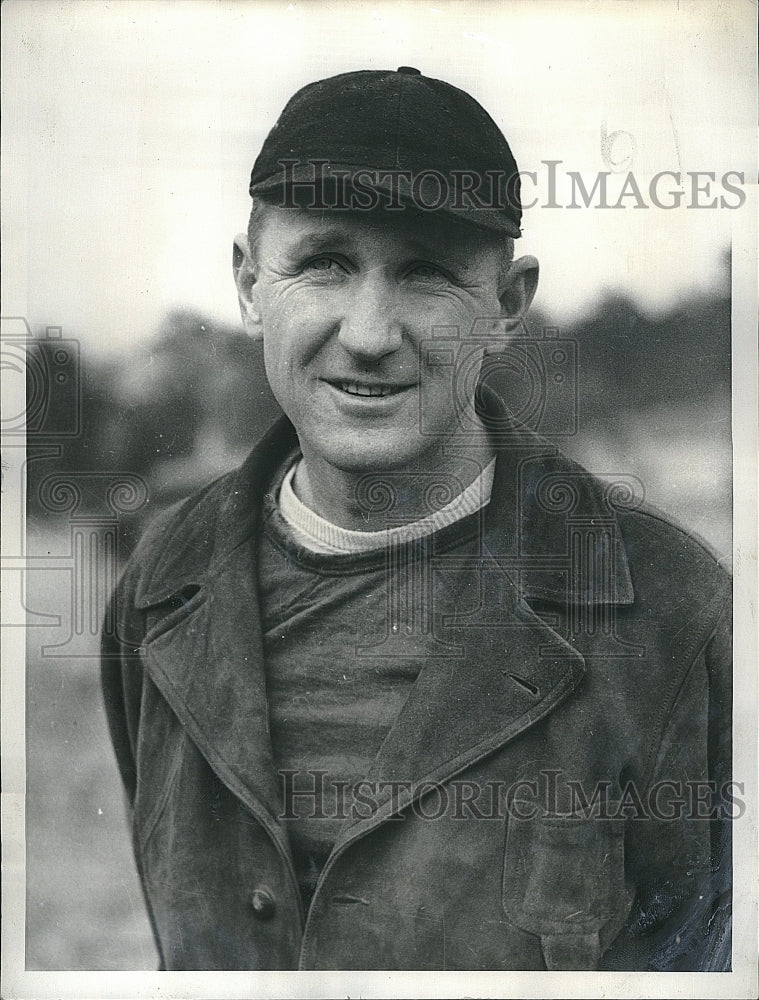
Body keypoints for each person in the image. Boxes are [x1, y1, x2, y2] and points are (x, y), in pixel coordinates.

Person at [101, 67, 732, 972]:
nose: (367, 332)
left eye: (427, 273)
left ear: (505, 307)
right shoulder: (163, 580)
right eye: (323, 261)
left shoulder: (671, 609)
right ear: (248, 284)